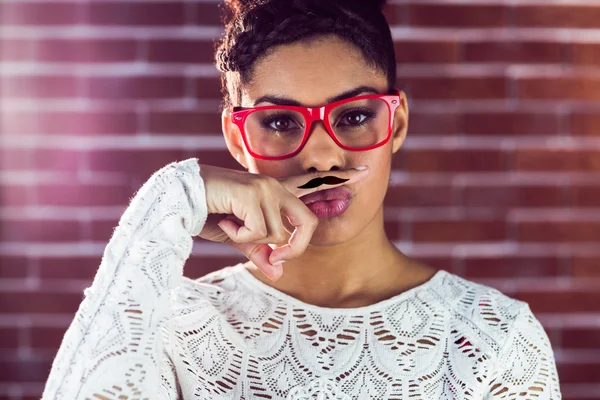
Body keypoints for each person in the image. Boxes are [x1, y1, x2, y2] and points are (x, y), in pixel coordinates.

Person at [41, 0, 562, 398]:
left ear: (396, 121)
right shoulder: (176, 326)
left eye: (354, 115)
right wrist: (173, 198)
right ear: (236, 136)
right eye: (280, 122)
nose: (320, 158)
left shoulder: (493, 338)